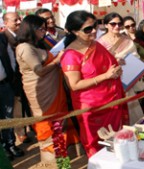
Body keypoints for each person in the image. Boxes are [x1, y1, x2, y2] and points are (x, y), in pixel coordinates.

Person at [61, 10, 129, 158]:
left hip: (112, 101)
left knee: (117, 141)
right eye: (88, 29)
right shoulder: (70, 55)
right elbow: (74, 85)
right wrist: (106, 76)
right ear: (74, 31)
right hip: (93, 108)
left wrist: (116, 67)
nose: (93, 31)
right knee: (98, 145)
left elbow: (107, 65)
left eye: (95, 26)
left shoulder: (96, 45)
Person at [15, 15, 78, 166]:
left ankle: (62, 161)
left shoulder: (38, 43)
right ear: (30, 29)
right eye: (40, 29)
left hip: (54, 90)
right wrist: (57, 61)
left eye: (44, 28)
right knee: (48, 127)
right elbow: (39, 70)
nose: (44, 32)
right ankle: (53, 163)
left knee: (59, 126)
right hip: (42, 94)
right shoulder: (24, 47)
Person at [97, 12, 144, 125]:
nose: (117, 26)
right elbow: (97, 63)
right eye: (113, 24)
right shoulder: (99, 43)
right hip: (109, 83)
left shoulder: (127, 40)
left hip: (126, 82)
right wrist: (114, 61)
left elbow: (136, 58)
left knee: (131, 111)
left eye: (119, 24)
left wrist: (126, 62)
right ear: (106, 25)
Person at [2, 12, 32, 145]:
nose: (19, 22)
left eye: (19, 19)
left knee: (23, 106)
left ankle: (23, 132)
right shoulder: (5, 37)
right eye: (15, 20)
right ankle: (18, 134)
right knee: (14, 110)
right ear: (6, 22)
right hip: (12, 80)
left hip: (19, 77)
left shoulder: (21, 36)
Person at [0, 32, 24, 161]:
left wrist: (11, 76)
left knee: (8, 117)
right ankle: (2, 150)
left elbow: (10, 57)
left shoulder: (2, 39)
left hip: (4, 86)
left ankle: (10, 145)